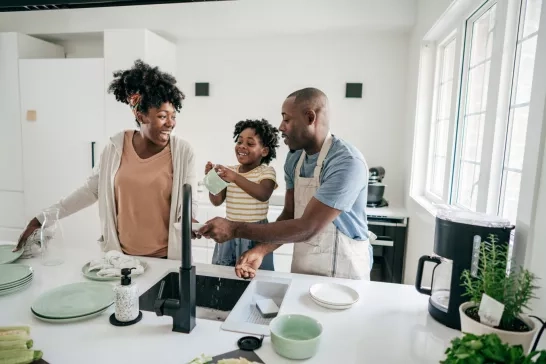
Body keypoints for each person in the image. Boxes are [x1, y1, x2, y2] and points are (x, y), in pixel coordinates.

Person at [14, 59, 198, 260]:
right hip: (120, 258)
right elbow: (90, 190)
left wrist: (192, 222)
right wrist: (41, 219)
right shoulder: (115, 148)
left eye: (173, 115)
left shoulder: (182, 152)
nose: (171, 123)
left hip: (166, 258)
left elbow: (189, 201)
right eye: (163, 116)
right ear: (141, 115)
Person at [200, 87, 376, 280]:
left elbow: (308, 227)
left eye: (287, 119)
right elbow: (290, 215)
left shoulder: (346, 162)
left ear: (310, 117)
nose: (281, 127)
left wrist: (235, 229)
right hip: (305, 268)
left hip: (344, 270)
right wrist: (260, 250)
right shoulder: (295, 159)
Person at [206, 119, 280, 270]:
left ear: (264, 151)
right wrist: (211, 180)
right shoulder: (231, 170)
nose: (242, 146)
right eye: (239, 141)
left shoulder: (266, 171)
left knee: (253, 273)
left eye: (250, 143)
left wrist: (234, 177)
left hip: (255, 234)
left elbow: (263, 194)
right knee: (226, 275)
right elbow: (217, 201)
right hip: (229, 232)